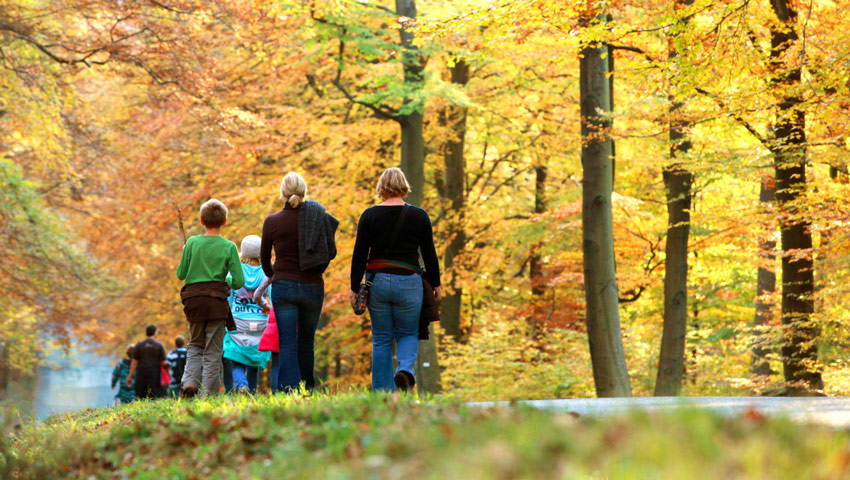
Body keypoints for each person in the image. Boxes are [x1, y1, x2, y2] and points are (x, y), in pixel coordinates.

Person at [349, 167, 441, 392]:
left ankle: (382, 393)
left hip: (377, 282)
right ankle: (406, 371)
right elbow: (429, 252)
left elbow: (359, 254)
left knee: (381, 339)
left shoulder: (369, 215)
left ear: (382, 188)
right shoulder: (419, 216)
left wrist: (353, 287)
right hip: (409, 281)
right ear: (403, 187)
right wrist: (436, 283)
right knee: (408, 332)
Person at [261, 172, 338, 393]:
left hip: (284, 286)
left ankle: (287, 391)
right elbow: (330, 251)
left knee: (287, 342)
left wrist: (273, 274)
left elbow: (265, 257)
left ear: (283, 193)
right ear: (304, 192)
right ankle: (307, 390)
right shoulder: (317, 218)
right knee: (306, 342)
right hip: (313, 285)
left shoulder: (272, 221)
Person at [176, 198, 245, 397]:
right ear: (224, 221)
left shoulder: (192, 243)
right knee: (213, 350)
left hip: (194, 302)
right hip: (216, 303)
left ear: (201, 220)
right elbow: (239, 281)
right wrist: (227, 281)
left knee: (196, 343)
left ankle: (189, 382)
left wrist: (185, 255)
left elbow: (181, 274)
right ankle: (207, 395)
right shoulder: (229, 247)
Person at [223, 235, 272, 394]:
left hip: (238, 321)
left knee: (237, 357)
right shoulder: (267, 271)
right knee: (254, 359)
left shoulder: (235, 271)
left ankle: (241, 384)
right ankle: (251, 393)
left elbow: (229, 297)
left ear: (242, 252)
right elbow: (271, 297)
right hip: (260, 323)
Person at [126, 325, 168, 399]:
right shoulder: (159, 345)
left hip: (141, 373)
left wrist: (130, 376)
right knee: (154, 395)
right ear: (155, 332)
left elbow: (134, 361)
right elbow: (164, 362)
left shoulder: (139, 345)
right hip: (155, 373)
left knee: (141, 395)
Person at [256, 287, 279, 392]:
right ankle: (292, 391)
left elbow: (257, 295)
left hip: (277, 313)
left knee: (276, 362)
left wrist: (265, 305)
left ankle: (276, 391)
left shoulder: (274, 273)